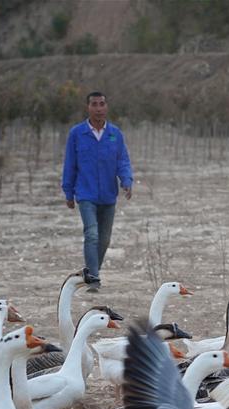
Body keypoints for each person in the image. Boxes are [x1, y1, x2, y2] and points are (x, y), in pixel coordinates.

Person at [62, 91, 133, 291]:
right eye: (94, 104)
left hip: (109, 195)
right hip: (85, 193)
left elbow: (122, 160)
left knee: (104, 239)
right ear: (88, 107)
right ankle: (94, 280)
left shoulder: (115, 134)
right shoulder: (77, 134)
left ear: (107, 106)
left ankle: (93, 272)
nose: (99, 108)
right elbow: (70, 164)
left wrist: (126, 180)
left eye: (102, 104)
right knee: (91, 234)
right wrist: (68, 192)